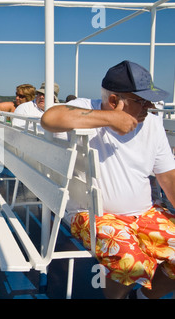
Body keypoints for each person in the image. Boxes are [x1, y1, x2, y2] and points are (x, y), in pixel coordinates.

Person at [41, 60, 175, 299]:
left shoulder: (153, 124)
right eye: (142, 101)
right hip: (94, 215)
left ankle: (144, 297)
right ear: (114, 101)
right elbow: (50, 118)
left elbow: (167, 176)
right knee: (130, 262)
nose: (150, 106)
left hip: (146, 213)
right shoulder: (86, 109)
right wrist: (110, 119)